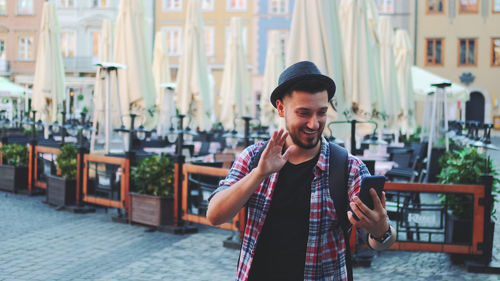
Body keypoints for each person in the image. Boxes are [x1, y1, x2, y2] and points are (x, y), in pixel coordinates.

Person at [207, 61, 396, 281]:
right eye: (303, 113)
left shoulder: (347, 167)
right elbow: (215, 215)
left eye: (322, 112)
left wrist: (381, 230)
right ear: (280, 108)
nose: (314, 124)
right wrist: (259, 173)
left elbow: (379, 241)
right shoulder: (254, 157)